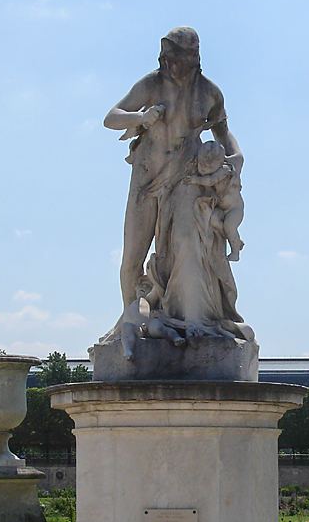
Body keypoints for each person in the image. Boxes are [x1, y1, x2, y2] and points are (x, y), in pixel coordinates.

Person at [103, 28, 244, 324]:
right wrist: (140, 118)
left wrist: (237, 157)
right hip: (146, 181)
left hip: (185, 182)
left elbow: (223, 133)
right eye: (171, 58)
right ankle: (132, 322)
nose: (175, 65)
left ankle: (184, 317)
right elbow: (111, 117)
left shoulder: (209, 92)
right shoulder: (151, 84)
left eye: (183, 58)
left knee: (185, 251)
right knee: (132, 258)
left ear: (195, 58)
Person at [183, 140, 245, 261]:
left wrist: (194, 180)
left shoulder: (224, 170)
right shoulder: (214, 167)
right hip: (222, 208)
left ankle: (235, 252)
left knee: (229, 226)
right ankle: (235, 240)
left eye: (207, 167)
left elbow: (210, 181)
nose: (203, 169)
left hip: (234, 209)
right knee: (212, 222)